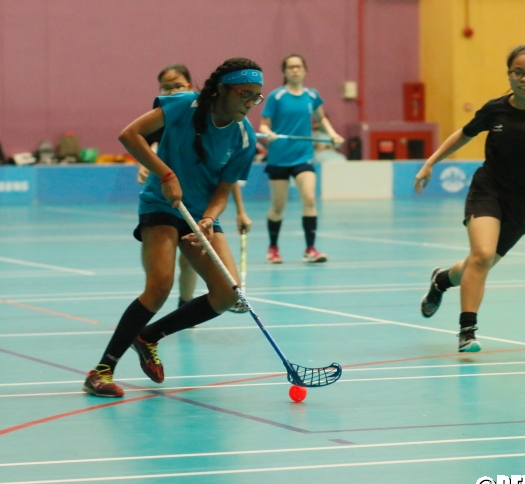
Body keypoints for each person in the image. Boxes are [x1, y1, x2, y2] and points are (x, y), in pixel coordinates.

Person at [83, 57, 264, 397]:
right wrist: (165, 174)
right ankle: (101, 370)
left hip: (199, 214)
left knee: (228, 293)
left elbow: (223, 191)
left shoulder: (243, 138)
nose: (250, 103)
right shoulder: (183, 104)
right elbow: (130, 134)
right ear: (223, 90)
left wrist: (209, 220)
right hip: (162, 205)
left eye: (257, 97)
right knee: (160, 285)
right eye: (244, 94)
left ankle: (149, 336)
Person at [413, 45, 525, 353]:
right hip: (488, 191)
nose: (524, 79)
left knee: (479, 264)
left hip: (524, 204)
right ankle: (467, 331)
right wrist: (431, 161)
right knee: (482, 255)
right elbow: (464, 133)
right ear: (509, 74)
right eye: (518, 73)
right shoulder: (496, 109)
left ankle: (442, 280)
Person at [136, 64, 252, 312]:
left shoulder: (211, 119)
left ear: (189, 86)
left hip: (199, 210)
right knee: (159, 279)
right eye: (167, 87)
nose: (173, 90)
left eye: (178, 86)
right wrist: (150, 169)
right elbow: (144, 147)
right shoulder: (165, 117)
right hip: (165, 205)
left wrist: (241, 211)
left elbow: (226, 178)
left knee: (190, 262)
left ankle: (185, 304)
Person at [259, 54, 344, 264]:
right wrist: (268, 132)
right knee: (278, 206)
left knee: (309, 199)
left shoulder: (312, 95)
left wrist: (332, 135)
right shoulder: (276, 97)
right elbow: (263, 124)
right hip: (279, 157)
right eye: (290, 67)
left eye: (298, 67)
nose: (295, 70)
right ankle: (273, 248)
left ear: (305, 70)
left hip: (303, 156)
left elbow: (321, 117)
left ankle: (310, 249)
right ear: (285, 71)